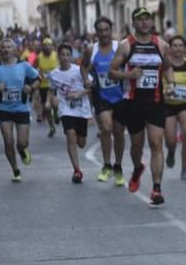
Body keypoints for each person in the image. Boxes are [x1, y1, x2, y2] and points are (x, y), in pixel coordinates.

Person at [109, 7, 172, 206]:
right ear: (134, 22)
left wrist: (170, 84)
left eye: (147, 19)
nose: (144, 22)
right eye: (140, 19)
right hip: (133, 103)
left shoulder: (161, 45)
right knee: (136, 145)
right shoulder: (126, 45)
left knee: (156, 143)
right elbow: (111, 72)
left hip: (155, 102)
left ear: (151, 22)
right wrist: (128, 75)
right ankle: (137, 168)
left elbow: (168, 68)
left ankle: (157, 188)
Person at [84, 17, 127, 186]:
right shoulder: (91, 50)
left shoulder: (120, 48)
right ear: (96, 32)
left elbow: (129, 65)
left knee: (119, 132)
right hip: (101, 96)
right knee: (106, 127)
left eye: (106, 30)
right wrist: (86, 79)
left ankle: (118, 166)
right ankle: (106, 165)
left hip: (121, 96)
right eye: (100, 30)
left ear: (111, 30)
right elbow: (83, 66)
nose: (103, 33)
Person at [0, 37, 38, 182]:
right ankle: (15, 170)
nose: (5, 49)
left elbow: (38, 79)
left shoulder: (24, 66)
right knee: (8, 141)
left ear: (14, 50)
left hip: (21, 109)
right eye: (3, 47)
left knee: (22, 142)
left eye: (8, 47)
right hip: (4, 109)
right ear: (0, 50)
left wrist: (30, 88)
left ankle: (22, 150)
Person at [49, 43, 92, 183]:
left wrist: (81, 92)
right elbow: (52, 90)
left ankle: (81, 141)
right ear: (58, 56)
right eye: (62, 55)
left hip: (82, 110)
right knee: (70, 134)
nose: (65, 57)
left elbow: (92, 87)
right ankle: (77, 171)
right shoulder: (54, 74)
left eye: (68, 54)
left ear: (71, 56)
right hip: (66, 109)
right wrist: (51, 101)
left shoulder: (79, 70)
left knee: (81, 143)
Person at [163, 35, 186, 181]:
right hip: (168, 105)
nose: (178, 48)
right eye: (175, 45)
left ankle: (185, 169)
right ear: (170, 48)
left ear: (185, 48)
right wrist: (165, 90)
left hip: (185, 104)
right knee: (170, 140)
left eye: (180, 45)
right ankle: (171, 152)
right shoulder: (165, 65)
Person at [35, 37, 59, 138]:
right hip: (44, 86)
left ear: (52, 46)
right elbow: (35, 70)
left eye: (49, 45)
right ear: (42, 47)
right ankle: (52, 127)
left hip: (56, 84)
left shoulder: (56, 56)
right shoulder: (39, 57)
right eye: (45, 45)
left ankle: (57, 113)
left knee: (54, 103)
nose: (47, 47)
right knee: (47, 108)